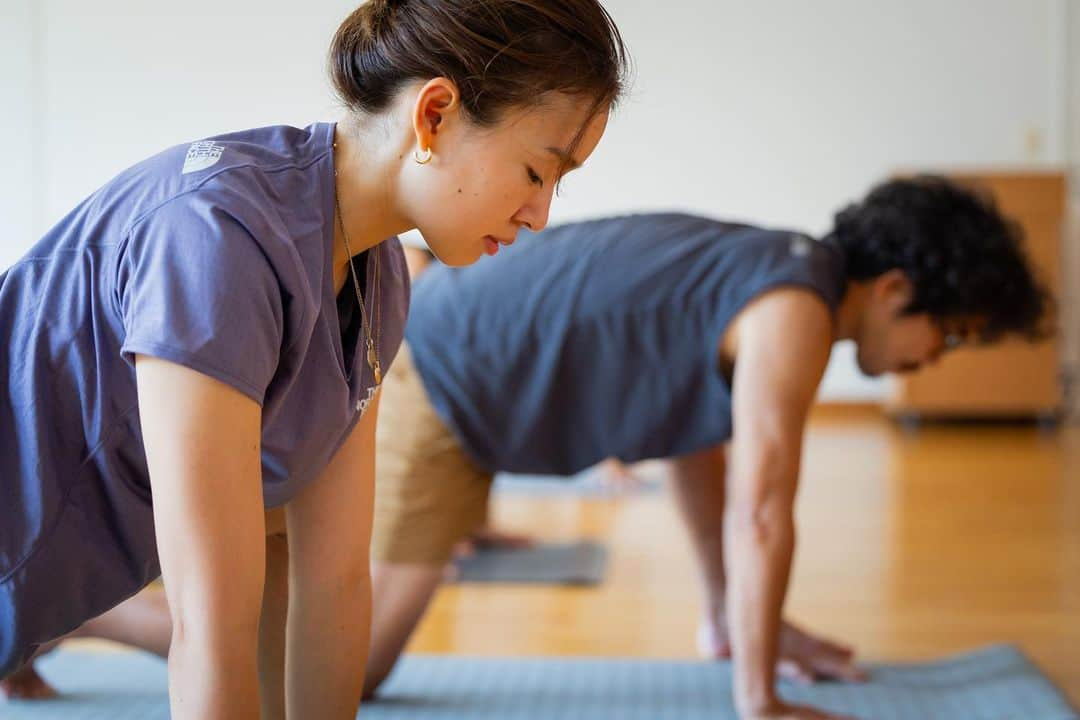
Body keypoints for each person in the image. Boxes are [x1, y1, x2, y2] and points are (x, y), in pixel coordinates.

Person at [0, 0, 628, 717]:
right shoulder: (219, 237)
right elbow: (211, 633)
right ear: (434, 115)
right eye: (535, 171)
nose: (540, 214)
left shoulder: (379, 272)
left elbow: (331, 584)